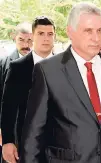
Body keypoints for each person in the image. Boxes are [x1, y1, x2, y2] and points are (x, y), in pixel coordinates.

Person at [20, 3, 101, 163]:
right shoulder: (48, 70)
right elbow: (33, 133)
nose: (96, 38)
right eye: (88, 31)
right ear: (70, 32)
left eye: (99, 31)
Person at [1, 16, 55, 163]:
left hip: (60, 144)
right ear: (33, 36)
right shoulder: (17, 67)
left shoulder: (66, 67)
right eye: (41, 34)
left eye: (50, 34)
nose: (46, 38)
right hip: (26, 142)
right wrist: (7, 141)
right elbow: (8, 108)